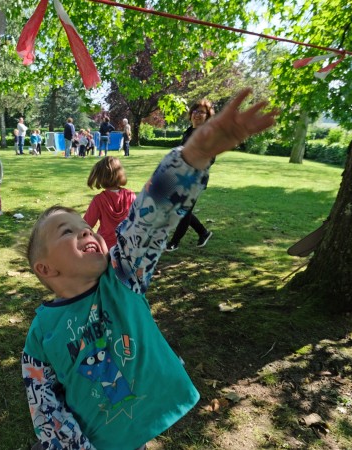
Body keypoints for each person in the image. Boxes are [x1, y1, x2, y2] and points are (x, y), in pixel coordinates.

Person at [21, 89, 278, 449]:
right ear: (45, 269)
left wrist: (193, 156)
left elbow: (151, 218)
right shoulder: (40, 333)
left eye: (84, 225)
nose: (85, 231)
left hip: (134, 435)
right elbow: (44, 405)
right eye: (68, 231)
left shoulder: (123, 276)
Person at [165, 100, 217, 252]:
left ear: (208, 116)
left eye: (202, 112)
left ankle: (174, 242)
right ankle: (203, 232)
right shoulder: (188, 132)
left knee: (184, 210)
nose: (197, 115)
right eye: (195, 111)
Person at [83, 156, 136, 249]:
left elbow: (86, 224)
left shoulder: (99, 200)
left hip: (105, 247)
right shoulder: (130, 196)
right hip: (128, 245)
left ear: (100, 177)